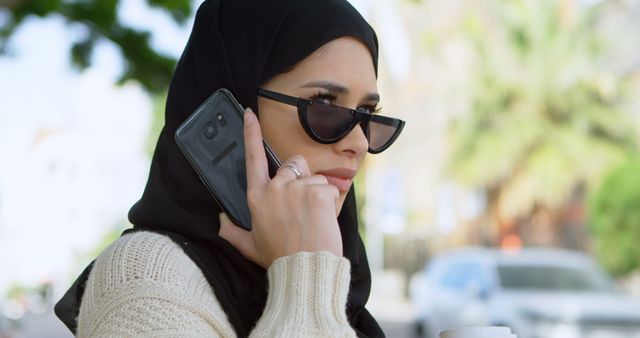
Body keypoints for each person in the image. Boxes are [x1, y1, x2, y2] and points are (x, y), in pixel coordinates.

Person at [55, 0, 404, 337]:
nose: (358, 143)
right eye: (325, 104)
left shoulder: (344, 283)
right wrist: (307, 273)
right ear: (233, 112)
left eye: (367, 114)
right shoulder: (141, 276)